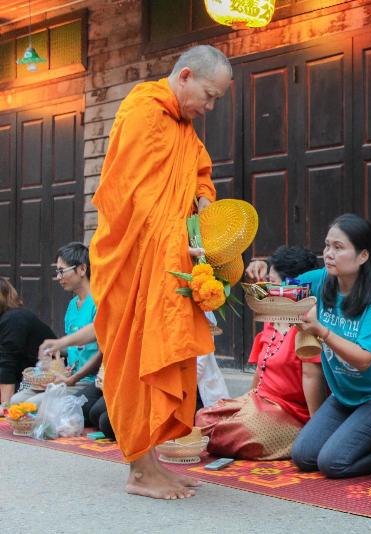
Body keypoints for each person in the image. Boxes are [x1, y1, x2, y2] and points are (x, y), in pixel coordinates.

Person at [89, 45, 232, 500]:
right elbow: (132, 199)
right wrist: (178, 244)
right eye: (208, 95)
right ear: (185, 76)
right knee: (135, 361)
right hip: (135, 262)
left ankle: (153, 465)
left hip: (167, 257)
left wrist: (206, 201)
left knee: (165, 354)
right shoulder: (143, 112)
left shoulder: (183, 127)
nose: (208, 108)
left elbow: (199, 174)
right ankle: (140, 472)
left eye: (215, 101)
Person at [246, 214, 371, 478]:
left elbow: (364, 360)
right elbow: (282, 288)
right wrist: (262, 266)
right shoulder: (320, 280)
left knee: (332, 463)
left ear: (363, 256)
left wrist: (322, 331)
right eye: (327, 246)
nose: (329, 254)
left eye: (339, 247)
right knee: (303, 455)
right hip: (343, 396)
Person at [196, 246, 325, 460]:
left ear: (293, 288)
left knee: (233, 432)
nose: (266, 289)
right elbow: (260, 373)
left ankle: (296, 439)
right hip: (263, 401)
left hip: (290, 413)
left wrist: (315, 432)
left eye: (271, 283)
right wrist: (247, 404)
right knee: (203, 418)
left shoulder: (307, 326)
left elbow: (312, 377)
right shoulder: (273, 317)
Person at [10, 243, 102, 408]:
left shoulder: (98, 303)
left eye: (61, 271)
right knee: (16, 401)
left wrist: (74, 378)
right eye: (57, 272)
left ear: (82, 269)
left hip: (86, 381)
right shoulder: (72, 305)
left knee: (31, 406)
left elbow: (103, 351)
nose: (58, 277)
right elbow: (73, 349)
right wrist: (53, 355)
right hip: (68, 377)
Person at [0, 279, 56, 405]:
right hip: (24, 377)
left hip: (44, 380)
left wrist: (5, 407)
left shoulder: (13, 319)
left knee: (15, 404)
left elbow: (7, 364)